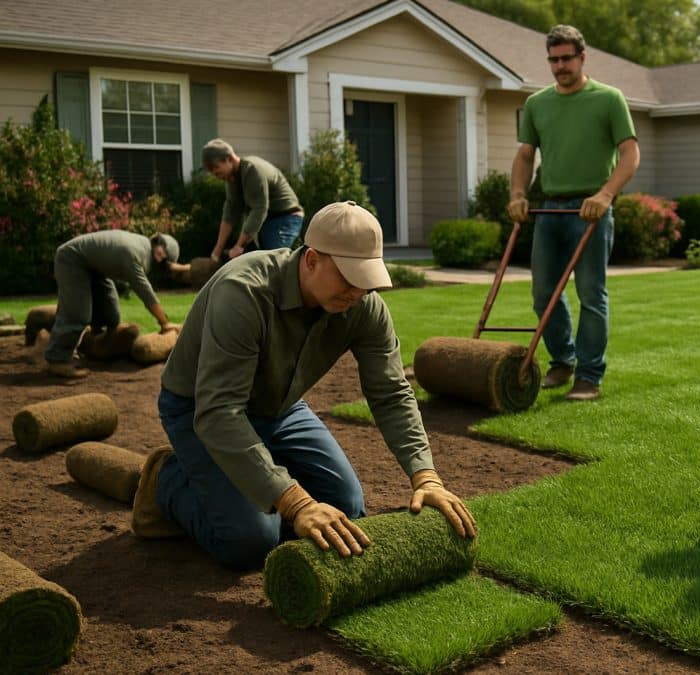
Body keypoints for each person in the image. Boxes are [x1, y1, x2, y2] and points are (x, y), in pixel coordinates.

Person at [131, 201, 477, 570]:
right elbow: (218, 413)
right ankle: (165, 480)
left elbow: (391, 393)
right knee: (251, 541)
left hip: (279, 407)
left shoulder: (363, 305)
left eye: (366, 280)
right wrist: (295, 502)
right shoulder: (244, 292)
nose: (358, 292)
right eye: (349, 276)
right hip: (200, 408)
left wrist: (426, 477)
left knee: (347, 510)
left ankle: (256, 468)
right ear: (311, 260)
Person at [508, 24, 640, 402]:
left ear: (582, 57)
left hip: (591, 211)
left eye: (567, 58)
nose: (560, 65)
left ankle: (589, 376)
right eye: (554, 59)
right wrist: (518, 194)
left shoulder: (609, 99)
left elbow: (630, 153)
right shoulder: (537, 104)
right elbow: (524, 155)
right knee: (543, 293)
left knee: (590, 293)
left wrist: (606, 194)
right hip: (548, 207)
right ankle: (562, 361)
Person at [44, 230, 186, 378]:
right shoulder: (135, 253)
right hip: (72, 260)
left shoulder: (142, 246)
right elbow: (145, 292)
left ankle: (92, 343)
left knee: (112, 315)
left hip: (94, 268)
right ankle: (57, 360)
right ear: (160, 254)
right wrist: (164, 322)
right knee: (78, 314)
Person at [202, 138, 303, 261]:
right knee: (252, 260)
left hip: (286, 217)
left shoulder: (252, 170)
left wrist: (239, 246)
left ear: (228, 159)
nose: (216, 175)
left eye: (216, 169)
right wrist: (216, 252)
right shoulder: (231, 178)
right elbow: (230, 213)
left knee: (272, 261)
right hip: (266, 220)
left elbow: (259, 210)